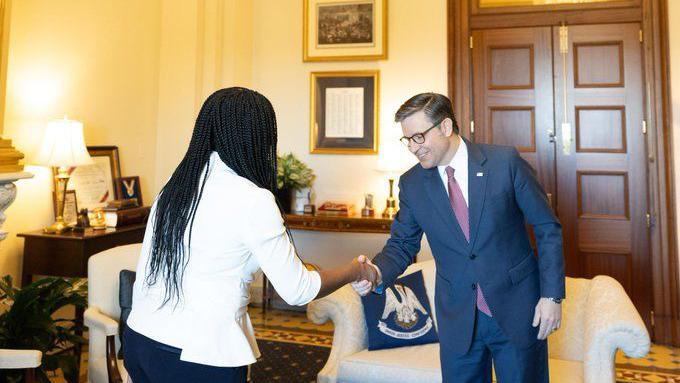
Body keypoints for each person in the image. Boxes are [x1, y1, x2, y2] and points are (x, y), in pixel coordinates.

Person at [124, 87, 378, 383]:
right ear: (260, 138)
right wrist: (355, 269)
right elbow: (298, 291)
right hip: (198, 355)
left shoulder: (175, 186)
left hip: (140, 339)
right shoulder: (253, 199)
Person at [353, 93, 565, 382]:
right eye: (407, 140)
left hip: (517, 312)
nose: (414, 148)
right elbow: (402, 245)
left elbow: (546, 227)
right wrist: (376, 273)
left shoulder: (504, 163)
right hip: (459, 320)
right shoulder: (412, 184)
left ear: (445, 127)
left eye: (418, 137)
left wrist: (551, 295)